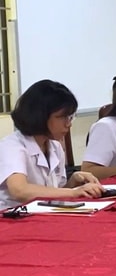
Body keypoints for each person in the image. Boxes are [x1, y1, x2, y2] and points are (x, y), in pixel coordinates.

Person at [0, 80, 103, 208]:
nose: (68, 124)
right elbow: (19, 191)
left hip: (42, 212)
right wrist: (73, 192)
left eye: (70, 117)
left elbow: (53, 194)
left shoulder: (55, 147)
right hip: (11, 216)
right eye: (63, 117)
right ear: (40, 116)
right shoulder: (12, 146)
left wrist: (73, 183)